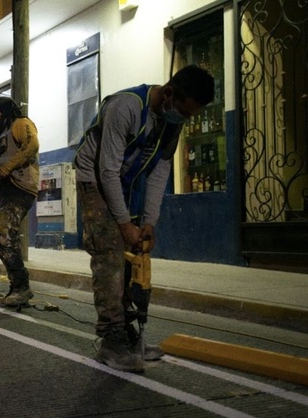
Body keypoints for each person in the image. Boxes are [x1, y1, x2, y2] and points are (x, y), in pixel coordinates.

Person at [74, 64, 215, 373]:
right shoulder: (125, 107)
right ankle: (111, 340)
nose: (185, 119)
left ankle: (127, 333)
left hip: (130, 181)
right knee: (110, 253)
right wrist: (125, 225)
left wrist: (148, 222)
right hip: (96, 179)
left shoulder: (171, 123)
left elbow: (159, 172)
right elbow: (107, 170)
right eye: (184, 111)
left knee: (132, 257)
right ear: (168, 93)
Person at [0, 97, 40, 307]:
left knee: (4, 234)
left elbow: (32, 145)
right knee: (1, 240)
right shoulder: (1, 138)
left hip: (20, 188)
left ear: (2, 112)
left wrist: (6, 169)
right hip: (5, 190)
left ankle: (22, 287)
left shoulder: (21, 124)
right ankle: (16, 287)